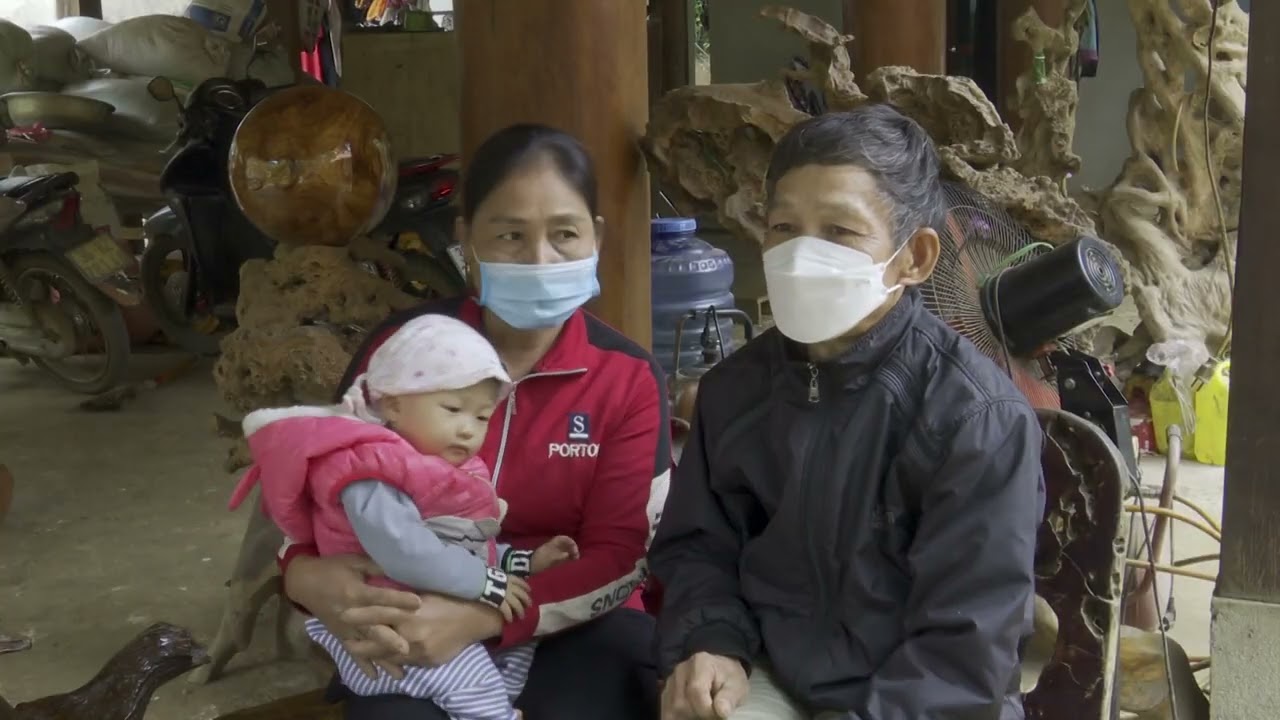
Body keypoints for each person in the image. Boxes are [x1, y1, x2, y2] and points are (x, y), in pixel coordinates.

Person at [649, 104, 1046, 720]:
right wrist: (712, 642)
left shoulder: (976, 419)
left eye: (839, 232)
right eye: (784, 228)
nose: (803, 255)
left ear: (914, 257)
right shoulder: (734, 391)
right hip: (772, 675)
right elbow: (700, 548)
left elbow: (966, 654)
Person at [278, 123, 670, 720]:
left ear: (596, 237)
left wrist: (482, 615)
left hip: (576, 621)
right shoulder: (403, 349)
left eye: (564, 234)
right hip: (410, 613)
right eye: (510, 235)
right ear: (467, 240)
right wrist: (305, 579)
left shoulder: (626, 377)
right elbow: (318, 485)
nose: (539, 258)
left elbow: (619, 554)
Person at [229, 313, 581, 720]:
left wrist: (524, 562)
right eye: (453, 409)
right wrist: (486, 583)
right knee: (475, 682)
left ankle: (486, 706)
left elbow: (460, 541)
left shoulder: (426, 466)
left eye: (482, 417)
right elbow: (405, 551)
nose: (468, 429)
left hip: (438, 613)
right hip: (393, 628)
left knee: (520, 646)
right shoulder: (370, 473)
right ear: (393, 403)